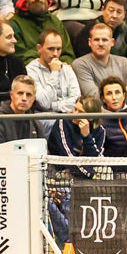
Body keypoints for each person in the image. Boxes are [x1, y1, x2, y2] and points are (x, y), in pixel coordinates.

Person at [44, 96, 105, 246]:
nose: (74, 113)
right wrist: (90, 175)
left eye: (80, 111)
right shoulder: (62, 123)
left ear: (90, 117)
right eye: (75, 108)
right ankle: (69, 242)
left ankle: (77, 242)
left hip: (84, 176)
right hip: (58, 173)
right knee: (66, 197)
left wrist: (87, 136)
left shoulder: (100, 131)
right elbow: (67, 158)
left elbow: (94, 159)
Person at [72, 22, 127, 100]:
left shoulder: (124, 63)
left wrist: (115, 102)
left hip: (126, 111)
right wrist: (121, 98)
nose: (100, 43)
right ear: (90, 42)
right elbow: (94, 98)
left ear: (112, 42)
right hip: (99, 112)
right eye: (96, 40)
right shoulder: (80, 64)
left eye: (104, 40)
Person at [27, 28, 80, 115]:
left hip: (68, 117)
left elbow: (77, 100)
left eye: (58, 49)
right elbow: (43, 103)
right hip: (44, 119)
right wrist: (54, 73)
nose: (55, 53)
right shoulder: (31, 70)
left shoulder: (67, 69)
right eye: (51, 49)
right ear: (39, 48)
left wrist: (53, 106)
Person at [0, 74, 45, 145]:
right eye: (20, 93)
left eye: (29, 95)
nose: (24, 98)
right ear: (11, 95)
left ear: (34, 99)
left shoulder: (36, 124)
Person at [96, 75, 127, 157]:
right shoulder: (99, 120)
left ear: (124, 95)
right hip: (113, 166)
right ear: (103, 98)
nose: (114, 97)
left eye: (117, 92)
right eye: (109, 94)